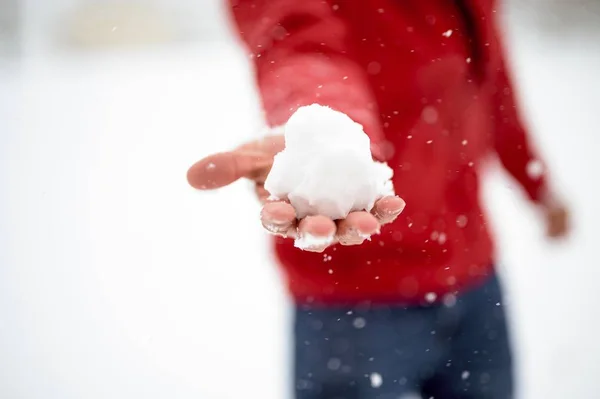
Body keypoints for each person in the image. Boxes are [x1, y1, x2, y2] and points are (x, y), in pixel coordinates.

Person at [187, 1, 570, 398]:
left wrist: (535, 182)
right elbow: (299, 44)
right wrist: (330, 124)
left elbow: (491, 82)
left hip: (474, 278)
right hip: (353, 303)